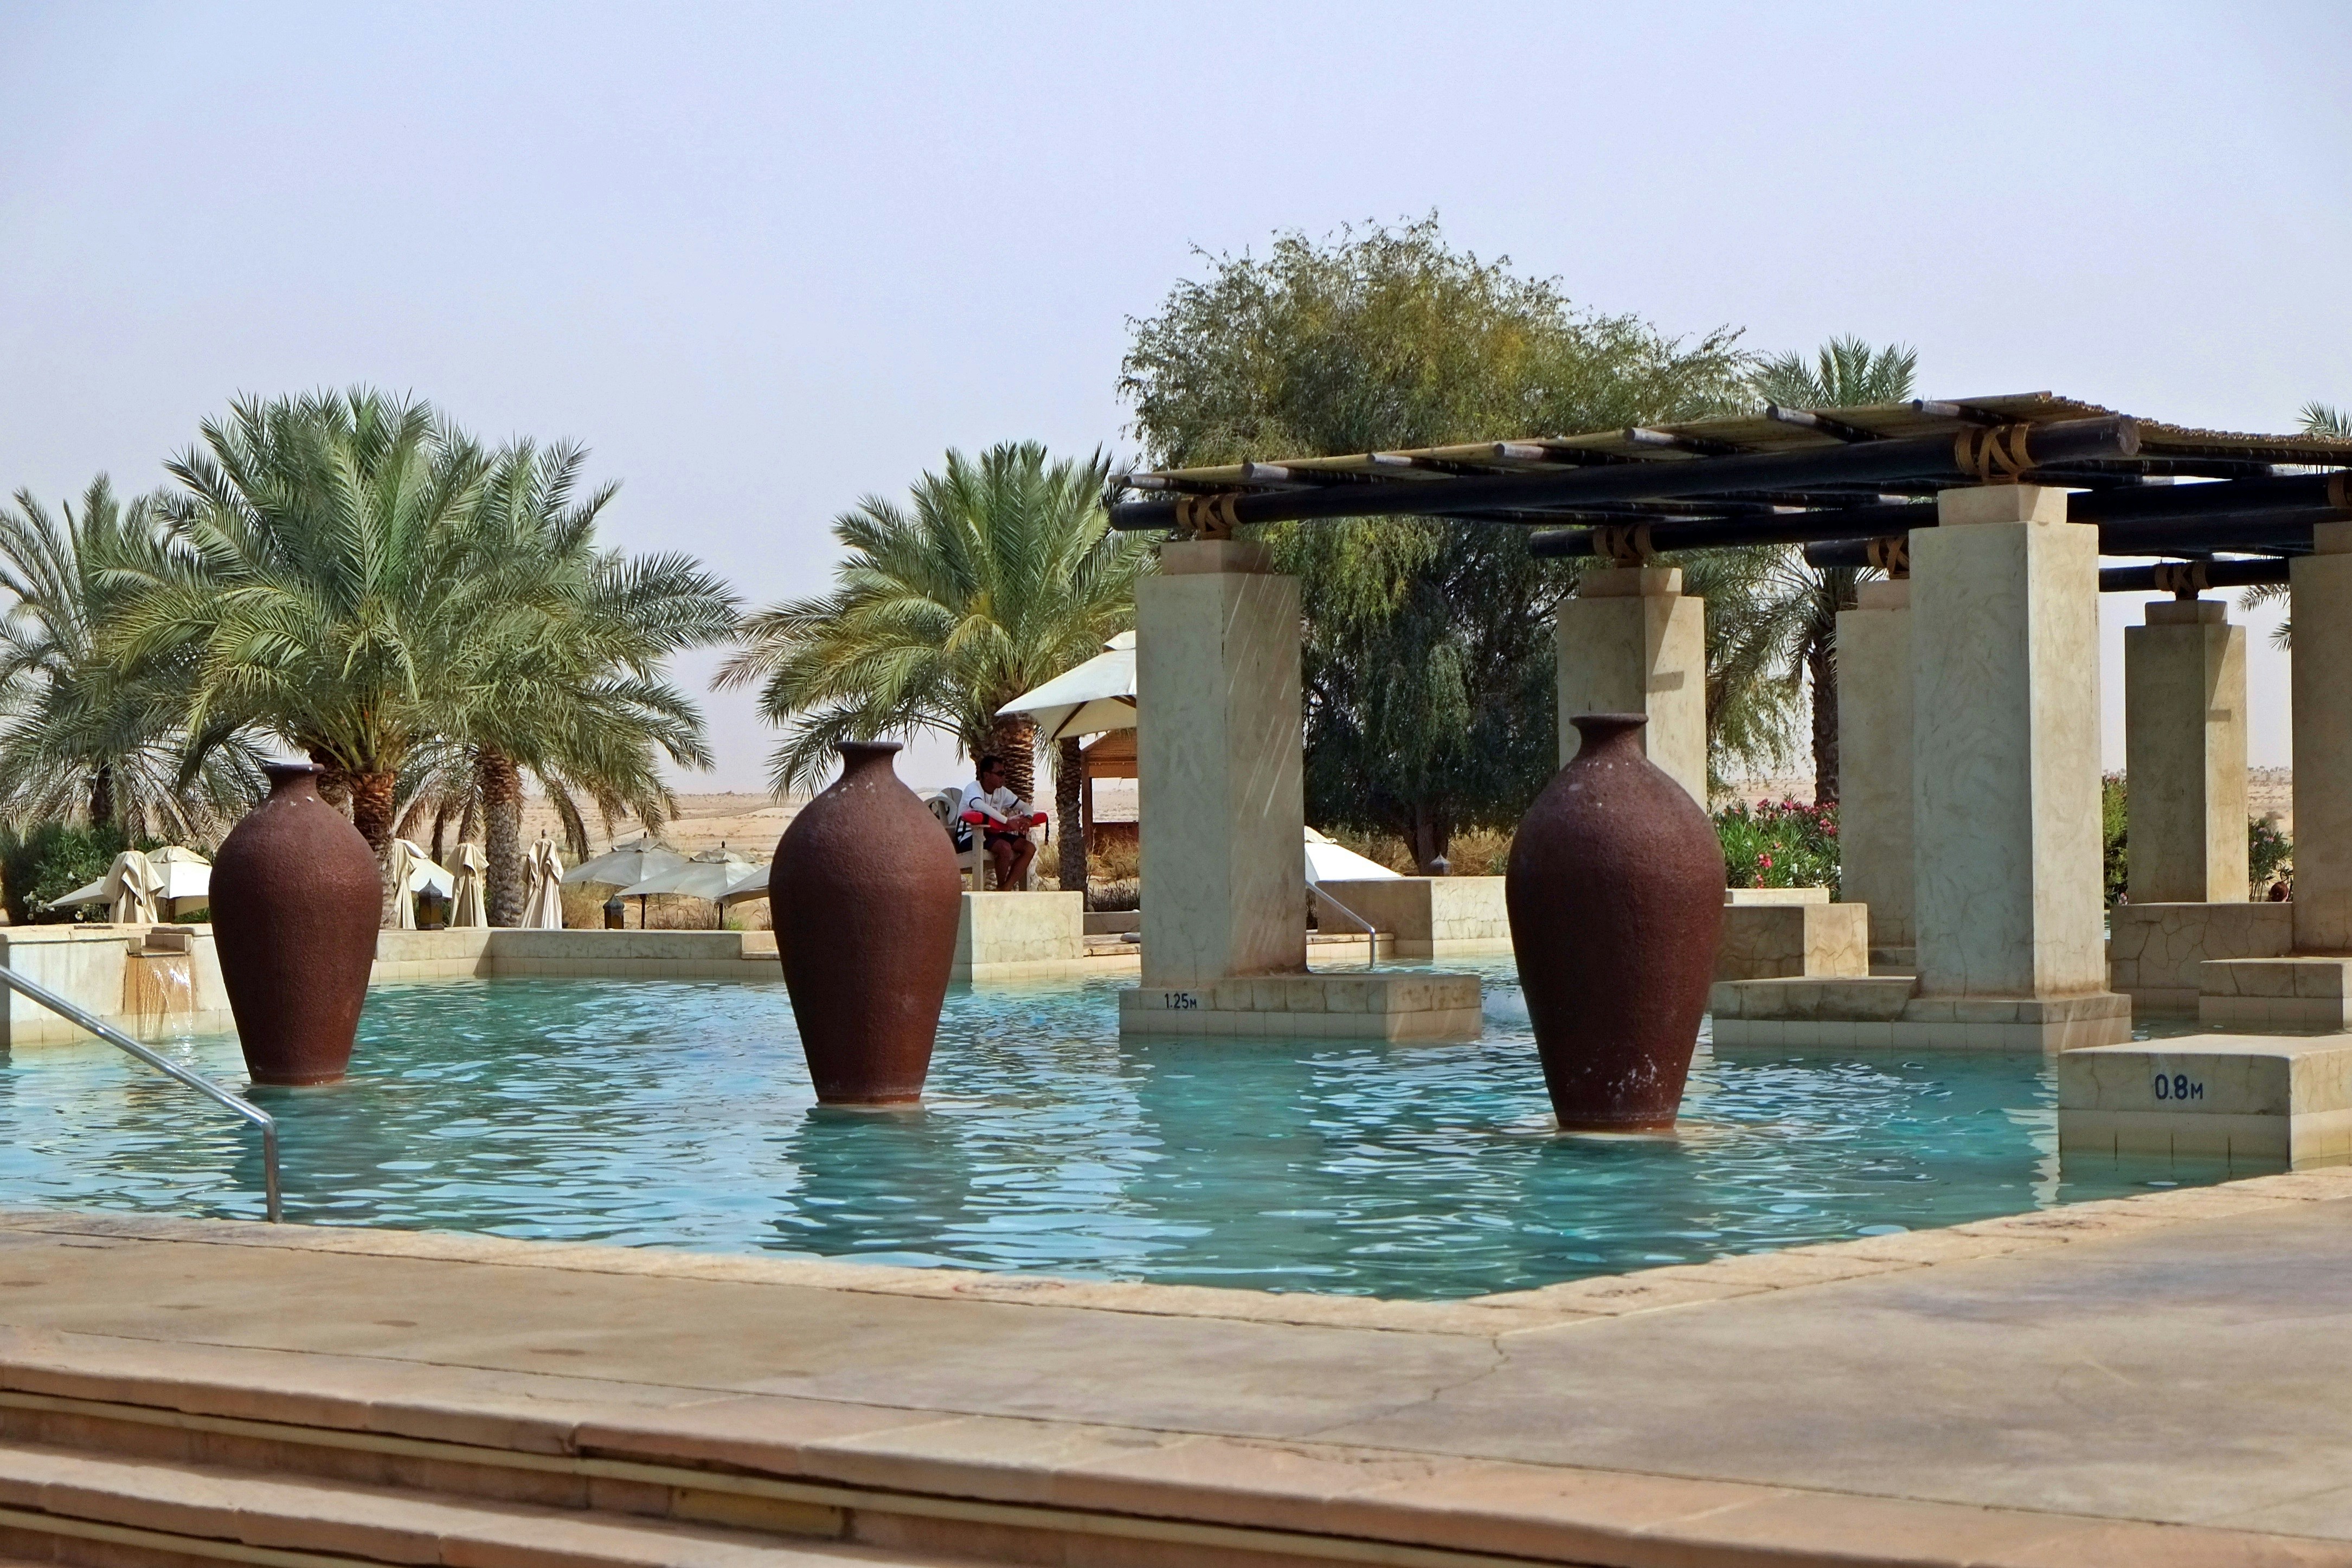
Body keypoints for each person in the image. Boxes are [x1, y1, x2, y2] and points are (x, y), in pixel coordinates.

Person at [960, 755, 1041, 890]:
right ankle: (1002, 888)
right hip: (970, 836)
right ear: (986, 775)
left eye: (1004, 773)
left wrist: (1028, 818)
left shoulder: (1002, 792)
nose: (1003, 777)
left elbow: (1025, 806)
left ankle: (1005, 888)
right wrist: (1008, 822)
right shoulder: (973, 788)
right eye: (1000, 773)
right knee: (1005, 848)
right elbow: (979, 806)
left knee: (1029, 848)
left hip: (992, 834)